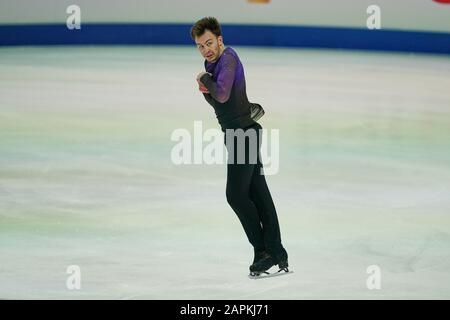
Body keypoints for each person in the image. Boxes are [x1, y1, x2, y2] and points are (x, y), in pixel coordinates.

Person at [190, 17, 288, 274]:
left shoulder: (228, 59)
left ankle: (264, 249)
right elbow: (219, 104)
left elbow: (221, 93)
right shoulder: (211, 64)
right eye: (200, 46)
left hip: (243, 134)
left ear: (220, 40)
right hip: (237, 132)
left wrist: (204, 81)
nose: (206, 49)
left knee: (235, 195)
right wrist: (206, 90)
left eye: (209, 43)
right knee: (257, 193)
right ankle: (275, 251)